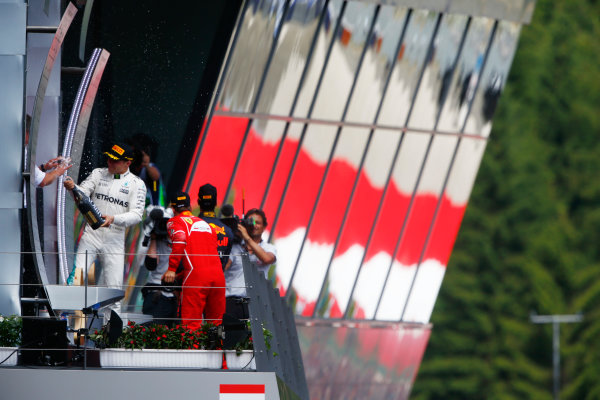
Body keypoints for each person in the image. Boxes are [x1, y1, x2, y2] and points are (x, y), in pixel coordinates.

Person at [64, 142, 146, 320]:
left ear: (127, 163)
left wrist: (114, 219)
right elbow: (81, 194)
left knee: (114, 290)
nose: (109, 162)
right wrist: (73, 188)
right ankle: (65, 323)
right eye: (108, 158)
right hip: (91, 235)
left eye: (115, 160)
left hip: (114, 238)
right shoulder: (97, 173)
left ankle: (112, 338)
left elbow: (137, 215)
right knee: (77, 276)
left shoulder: (137, 184)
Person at [162, 192, 225, 329]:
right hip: (218, 277)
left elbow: (180, 239)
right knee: (216, 327)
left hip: (196, 277)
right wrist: (180, 275)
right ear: (190, 207)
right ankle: (219, 350)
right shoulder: (206, 224)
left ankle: (192, 350)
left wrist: (172, 269)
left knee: (191, 326)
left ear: (173, 209)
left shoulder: (174, 221)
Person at [224, 208, 277, 320]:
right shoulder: (235, 246)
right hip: (232, 301)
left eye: (257, 223)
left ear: (264, 227)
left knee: (255, 336)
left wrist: (246, 238)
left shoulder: (268, 248)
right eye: (251, 222)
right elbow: (223, 268)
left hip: (256, 302)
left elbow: (266, 259)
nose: (254, 226)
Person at [141, 205, 177, 326]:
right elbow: (151, 265)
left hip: (175, 293)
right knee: (153, 331)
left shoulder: (180, 238)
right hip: (156, 291)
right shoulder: (157, 237)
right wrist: (154, 238)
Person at [197, 183, 233, 270]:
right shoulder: (228, 231)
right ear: (216, 203)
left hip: (193, 278)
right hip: (215, 279)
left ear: (198, 202)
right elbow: (224, 264)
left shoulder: (190, 226)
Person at [127, 133, 165, 206]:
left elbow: (155, 177)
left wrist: (146, 164)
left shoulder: (149, 167)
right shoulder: (129, 167)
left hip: (155, 208)